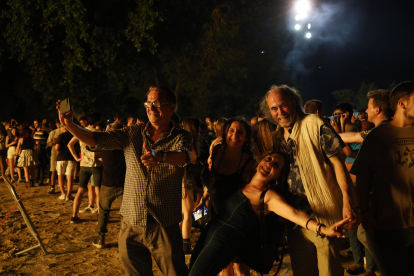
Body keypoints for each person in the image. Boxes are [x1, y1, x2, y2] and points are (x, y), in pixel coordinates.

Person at [57, 84, 192, 276]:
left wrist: (160, 156)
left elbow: (184, 156)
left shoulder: (182, 136)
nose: (151, 108)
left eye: (158, 103)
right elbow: (97, 139)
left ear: (172, 107)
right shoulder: (132, 133)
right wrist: (70, 125)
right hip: (131, 222)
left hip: (163, 223)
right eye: (148, 103)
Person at [189, 151, 352, 276]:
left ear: (279, 176)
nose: (270, 164)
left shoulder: (268, 196)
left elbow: (295, 214)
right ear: (260, 160)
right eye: (268, 159)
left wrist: (323, 229)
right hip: (208, 234)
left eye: (276, 165)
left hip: (223, 243)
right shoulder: (242, 184)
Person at [260, 85, 359, 276]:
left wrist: (348, 201)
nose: (279, 112)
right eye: (274, 109)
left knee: (329, 271)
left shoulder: (315, 123)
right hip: (296, 221)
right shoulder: (277, 136)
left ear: (295, 103)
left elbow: (339, 163)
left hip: (324, 216)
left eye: (284, 106)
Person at [351, 81, 414, 276]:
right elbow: (362, 176)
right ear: (402, 104)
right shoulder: (376, 137)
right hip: (388, 224)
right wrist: (364, 210)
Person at [208, 116, 256, 276]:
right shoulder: (216, 152)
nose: (235, 135)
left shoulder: (248, 161)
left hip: (236, 219)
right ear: (225, 133)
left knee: (239, 266)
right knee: (222, 263)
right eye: (231, 130)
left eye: (240, 132)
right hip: (215, 214)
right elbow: (209, 177)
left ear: (246, 136)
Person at [93, 123, 126, 249]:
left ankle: (100, 239)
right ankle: (124, 240)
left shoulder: (104, 147)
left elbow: (94, 151)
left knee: (103, 213)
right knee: (124, 215)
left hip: (107, 185)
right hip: (122, 185)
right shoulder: (125, 147)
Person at [68, 112, 103, 223]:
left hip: (84, 164)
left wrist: (76, 158)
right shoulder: (100, 133)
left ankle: (74, 216)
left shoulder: (81, 132)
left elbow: (70, 144)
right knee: (98, 191)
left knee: (80, 191)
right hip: (96, 165)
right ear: (97, 121)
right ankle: (99, 217)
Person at [180, 117, 203, 255]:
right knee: (188, 214)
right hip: (185, 181)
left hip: (189, 181)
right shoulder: (187, 143)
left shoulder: (192, 142)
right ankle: (185, 245)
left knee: (188, 213)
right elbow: (181, 165)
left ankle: (180, 242)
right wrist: (183, 185)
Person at [55, 125, 76, 201]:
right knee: (69, 177)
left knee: (60, 176)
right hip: (71, 157)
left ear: (64, 128)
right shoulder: (73, 135)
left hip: (61, 158)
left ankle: (63, 194)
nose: (59, 129)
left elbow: (57, 147)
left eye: (60, 127)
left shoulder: (61, 136)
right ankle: (69, 194)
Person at [46, 119, 62, 194]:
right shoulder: (53, 132)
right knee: (53, 170)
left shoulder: (65, 131)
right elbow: (49, 144)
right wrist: (53, 142)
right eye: (58, 124)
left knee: (62, 171)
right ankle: (52, 186)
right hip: (54, 153)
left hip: (63, 153)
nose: (59, 125)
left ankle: (62, 185)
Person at [32, 119, 49, 185]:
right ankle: (36, 178)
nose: (34, 124)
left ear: (39, 123)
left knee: (42, 165)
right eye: (34, 123)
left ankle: (41, 180)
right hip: (36, 150)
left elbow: (48, 140)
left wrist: (42, 142)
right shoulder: (35, 132)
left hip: (42, 150)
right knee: (36, 165)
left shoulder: (44, 132)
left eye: (36, 123)